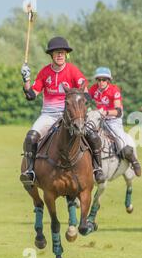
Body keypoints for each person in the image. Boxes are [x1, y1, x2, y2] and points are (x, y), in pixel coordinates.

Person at [19, 36, 106, 186]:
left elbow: (85, 92)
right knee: (30, 137)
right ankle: (30, 171)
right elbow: (31, 95)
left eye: (62, 52)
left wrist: (81, 99)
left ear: (66, 54)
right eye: (56, 52)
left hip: (71, 115)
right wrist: (26, 81)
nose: (60, 55)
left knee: (92, 135)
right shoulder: (45, 72)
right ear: (51, 55)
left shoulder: (73, 70)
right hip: (48, 115)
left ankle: (97, 169)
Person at [86, 67, 142, 177]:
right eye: (99, 80)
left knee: (121, 143)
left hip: (113, 120)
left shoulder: (114, 90)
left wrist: (105, 113)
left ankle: (134, 162)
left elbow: (118, 111)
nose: (101, 82)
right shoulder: (93, 89)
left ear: (108, 80)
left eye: (104, 80)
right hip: (98, 119)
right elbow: (85, 99)